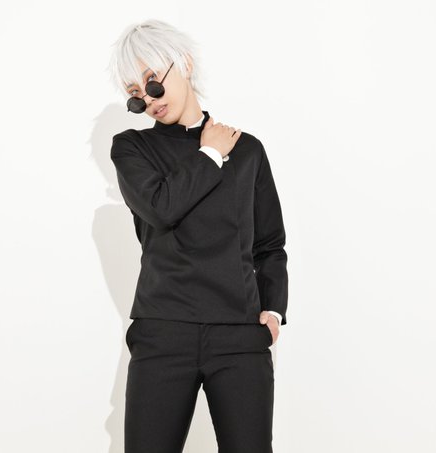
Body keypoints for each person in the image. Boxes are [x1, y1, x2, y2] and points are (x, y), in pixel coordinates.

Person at [107, 19, 288, 453]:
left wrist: (273, 311)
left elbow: (269, 243)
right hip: (163, 332)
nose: (149, 100)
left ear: (184, 64)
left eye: (153, 82)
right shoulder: (132, 148)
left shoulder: (247, 150)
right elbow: (161, 207)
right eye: (136, 95)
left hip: (239, 335)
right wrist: (209, 153)